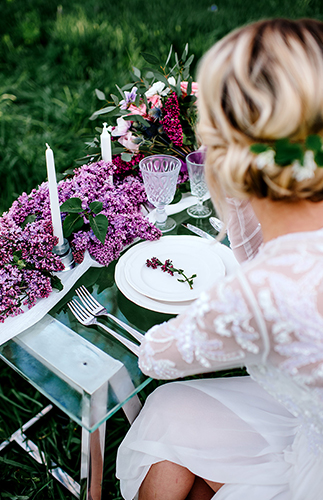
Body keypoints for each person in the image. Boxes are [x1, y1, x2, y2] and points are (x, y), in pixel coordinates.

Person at [116, 18, 323, 500]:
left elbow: (154, 357)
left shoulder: (265, 294)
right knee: (175, 412)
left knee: (168, 412)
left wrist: (229, 194)